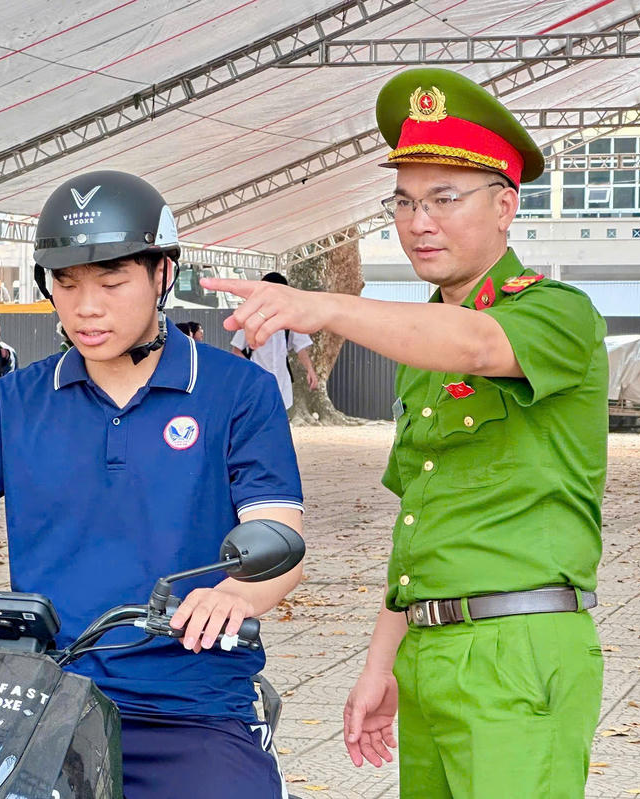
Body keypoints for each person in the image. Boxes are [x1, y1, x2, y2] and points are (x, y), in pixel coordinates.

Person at [0, 170, 305, 799]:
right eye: (66, 284)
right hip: (42, 695)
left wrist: (234, 594)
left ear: (161, 275)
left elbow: (282, 541)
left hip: (189, 702)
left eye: (111, 281)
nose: (86, 306)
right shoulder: (17, 400)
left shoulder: (238, 392)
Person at [203, 68, 608, 799]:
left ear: (505, 206)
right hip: (427, 649)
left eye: (445, 199)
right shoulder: (420, 352)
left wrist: (323, 308)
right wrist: (379, 666)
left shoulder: (557, 312)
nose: (420, 222)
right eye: (405, 202)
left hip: (518, 646)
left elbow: (480, 346)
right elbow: (417, 526)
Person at [230, 272, 319, 411]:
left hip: (282, 382)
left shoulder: (290, 318)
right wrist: (253, 372)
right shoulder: (252, 318)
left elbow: (301, 347)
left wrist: (310, 370)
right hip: (257, 383)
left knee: (280, 422)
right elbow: (236, 351)